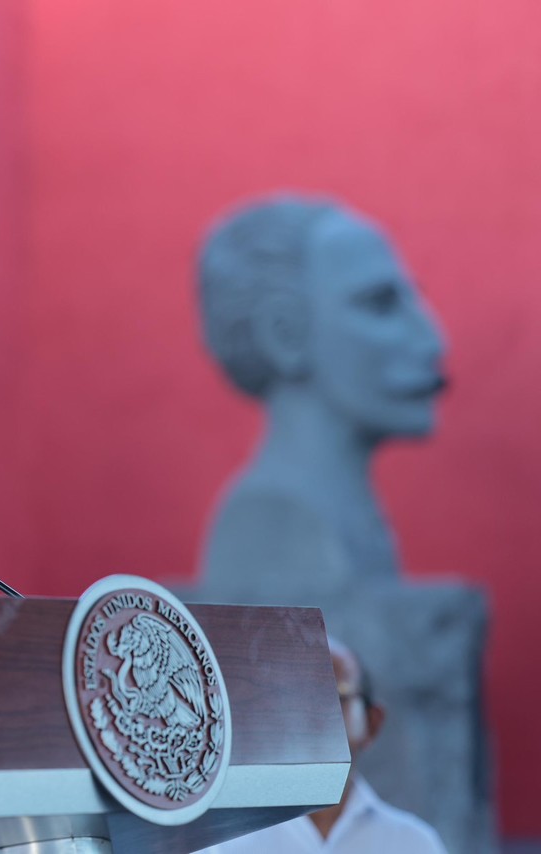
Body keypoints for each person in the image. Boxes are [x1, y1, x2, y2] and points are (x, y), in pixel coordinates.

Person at [196, 195, 447, 594]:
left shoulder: (356, 522)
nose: (434, 340)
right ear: (285, 334)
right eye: (381, 305)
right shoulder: (271, 521)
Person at [193, 638, 447, 852]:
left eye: (335, 696)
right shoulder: (223, 845)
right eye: (297, 698)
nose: (313, 715)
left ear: (372, 722)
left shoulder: (413, 844)